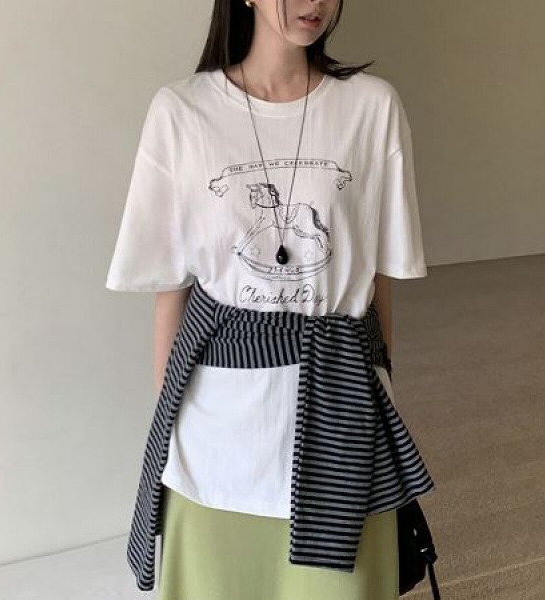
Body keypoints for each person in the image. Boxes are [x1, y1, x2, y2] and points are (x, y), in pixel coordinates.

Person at [106, 1, 436, 598]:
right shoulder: (181, 112)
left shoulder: (372, 107)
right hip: (215, 445)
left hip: (341, 430)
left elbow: (378, 281)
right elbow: (171, 294)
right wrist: (168, 436)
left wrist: (381, 395)